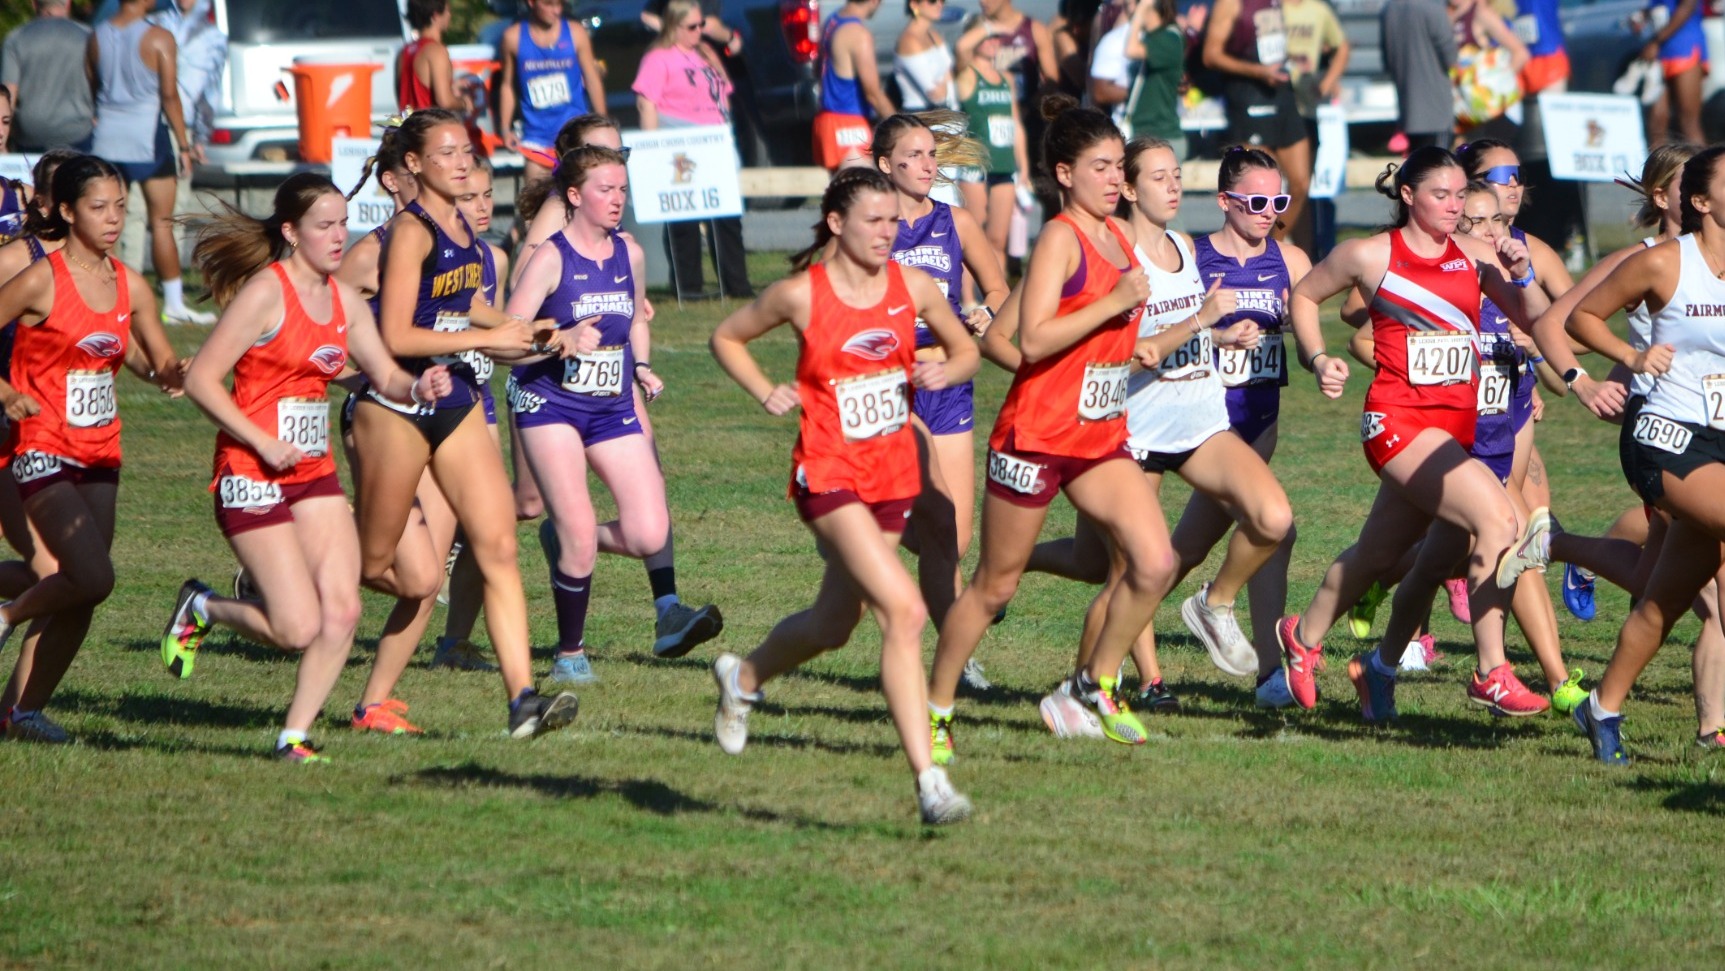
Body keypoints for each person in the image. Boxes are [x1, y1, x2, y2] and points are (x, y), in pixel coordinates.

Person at [708, 166, 980, 824]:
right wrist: (764, 388)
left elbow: (966, 347)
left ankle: (742, 678)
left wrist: (946, 366)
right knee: (904, 610)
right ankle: (928, 781)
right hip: (827, 475)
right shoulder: (801, 294)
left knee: (835, 624)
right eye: (874, 221)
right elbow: (727, 336)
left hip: (891, 477)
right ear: (836, 223)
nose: (889, 232)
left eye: (894, 221)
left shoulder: (911, 286)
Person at [160, 173, 453, 762]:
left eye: (344, 223)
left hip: (311, 471)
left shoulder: (343, 301)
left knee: (342, 609)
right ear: (292, 232)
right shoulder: (266, 294)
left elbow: (382, 374)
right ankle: (202, 606)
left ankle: (293, 736)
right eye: (325, 226)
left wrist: (418, 384)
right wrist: (262, 441)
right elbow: (201, 380)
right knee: (295, 627)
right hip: (250, 468)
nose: (339, 236)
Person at [926, 95, 1179, 759]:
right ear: (1064, 173)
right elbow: (1032, 339)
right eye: (1100, 167)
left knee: (1154, 562)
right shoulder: (1061, 237)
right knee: (994, 586)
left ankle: (1088, 686)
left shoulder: (1117, 235)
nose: (1114, 179)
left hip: (1097, 435)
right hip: (1036, 438)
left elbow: (1011, 340)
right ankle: (934, 708)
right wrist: (1117, 304)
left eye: (1119, 166)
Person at [1279, 146, 1553, 723]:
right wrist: (1317, 356)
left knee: (1383, 554)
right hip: (1397, 423)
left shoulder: (1477, 255)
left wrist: (1521, 271)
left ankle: (1311, 640)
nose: (1455, 207)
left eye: (1460, 196)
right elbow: (1303, 295)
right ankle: (1491, 672)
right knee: (1501, 521)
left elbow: (1532, 318)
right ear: (1408, 196)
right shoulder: (1369, 254)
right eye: (1441, 195)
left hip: (1454, 432)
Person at [351, 108, 577, 739]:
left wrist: (540, 332)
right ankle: (278, 577)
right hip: (396, 407)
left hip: (453, 406)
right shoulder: (411, 232)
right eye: (446, 153)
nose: (461, 161)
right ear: (414, 165)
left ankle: (522, 700)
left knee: (498, 545)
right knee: (381, 568)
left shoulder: (469, 240)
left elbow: (471, 310)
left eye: (467, 151)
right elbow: (394, 333)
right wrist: (485, 331)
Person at [1343, 179, 1585, 713]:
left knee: (1431, 565)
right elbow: (1358, 326)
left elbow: (1556, 339)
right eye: (1477, 223)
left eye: (1499, 222)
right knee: (1511, 538)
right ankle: (1541, 676)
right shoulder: (1441, 284)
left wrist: (1538, 366)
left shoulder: (1507, 286)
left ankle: (1377, 666)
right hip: (1442, 438)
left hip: (1499, 442)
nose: (1492, 233)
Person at [507, 113, 722, 661]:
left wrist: (642, 365)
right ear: (575, 194)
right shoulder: (550, 253)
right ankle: (570, 654)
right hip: (551, 402)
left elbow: (633, 318)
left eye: (623, 189)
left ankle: (570, 543)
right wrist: (558, 339)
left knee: (649, 531)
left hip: (610, 404)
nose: (618, 198)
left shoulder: (630, 251)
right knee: (551, 513)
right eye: (607, 189)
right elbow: (506, 338)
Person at [0, 155, 183, 742]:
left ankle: (19, 712)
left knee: (82, 594)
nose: (112, 219)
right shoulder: (39, 277)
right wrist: (5, 391)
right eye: (99, 208)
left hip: (101, 451)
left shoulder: (131, 283)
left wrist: (178, 373)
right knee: (91, 574)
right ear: (69, 211)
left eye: (120, 208)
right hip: (40, 444)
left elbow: (154, 361)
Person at [1553, 143, 1725, 755]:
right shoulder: (1663, 263)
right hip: (1665, 437)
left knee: (1665, 601)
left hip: (1722, 439)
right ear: (1700, 201)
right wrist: (1629, 357)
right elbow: (1579, 317)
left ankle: (1602, 709)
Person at [1161, 147, 1310, 703]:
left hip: (1258, 433)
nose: (1269, 211)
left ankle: (1111, 641)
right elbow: (1162, 337)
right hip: (1205, 431)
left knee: (1177, 554)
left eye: (1279, 201)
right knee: (1277, 530)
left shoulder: (1289, 260)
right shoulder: (1191, 257)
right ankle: (1270, 670)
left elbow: (1314, 315)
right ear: (1224, 201)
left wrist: (1320, 355)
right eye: (1256, 201)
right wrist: (1216, 337)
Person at [869, 113, 1005, 631]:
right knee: (937, 525)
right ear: (886, 164)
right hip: (893, 384)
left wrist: (985, 313)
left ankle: (951, 645)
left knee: (954, 537)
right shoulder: (871, 225)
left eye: (932, 155)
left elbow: (997, 288)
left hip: (949, 381)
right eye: (915, 155)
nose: (929, 165)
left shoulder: (956, 221)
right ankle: (958, 652)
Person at [0, 149, 77, 723]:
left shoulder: (95, 271)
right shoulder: (16, 263)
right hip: (6, 431)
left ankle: (16, 711)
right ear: (46, 203)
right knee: (54, 572)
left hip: (51, 437)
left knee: (60, 574)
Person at [90, 0, 213, 326]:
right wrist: (184, 145)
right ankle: (173, 303)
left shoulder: (97, 34)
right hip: (147, 136)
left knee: (106, 223)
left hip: (107, 136)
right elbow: (169, 95)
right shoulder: (159, 37)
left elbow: (94, 84)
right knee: (162, 222)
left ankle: (108, 299)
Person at [633, 0, 754, 300]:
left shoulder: (705, 52)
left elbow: (724, 93)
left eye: (701, 25)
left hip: (715, 142)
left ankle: (736, 285)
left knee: (726, 216)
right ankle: (688, 288)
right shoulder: (657, 58)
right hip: (680, 144)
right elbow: (646, 102)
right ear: (673, 26)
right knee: (683, 217)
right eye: (692, 27)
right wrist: (652, 149)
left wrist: (728, 134)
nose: (699, 31)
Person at [1202, 0, 1312, 241]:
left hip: (1282, 94)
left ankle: (1275, 240)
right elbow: (1211, 55)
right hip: (1249, 95)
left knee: (1301, 184)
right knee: (1260, 186)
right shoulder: (1230, 4)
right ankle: (1254, 247)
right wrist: (1258, 71)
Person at [496, 0, 607, 183]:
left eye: (559, 5)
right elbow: (507, 85)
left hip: (574, 133)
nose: (556, 11)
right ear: (532, 3)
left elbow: (592, 79)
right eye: (549, 4)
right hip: (536, 137)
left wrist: (603, 123)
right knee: (534, 202)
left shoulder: (575, 32)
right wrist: (505, 128)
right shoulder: (513, 37)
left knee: (578, 201)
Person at [955, 17, 1032, 270]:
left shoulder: (1006, 78)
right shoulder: (967, 74)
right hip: (976, 163)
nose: (992, 42)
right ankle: (967, 300)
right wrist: (992, 27)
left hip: (1003, 163)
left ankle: (997, 300)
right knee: (973, 234)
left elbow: (1016, 123)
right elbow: (961, 48)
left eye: (996, 39)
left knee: (998, 238)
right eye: (986, 38)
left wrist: (1023, 166)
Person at [1281, 0, 1347, 249]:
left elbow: (1341, 47)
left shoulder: (1318, 10)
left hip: (1305, 109)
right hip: (1275, 105)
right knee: (1276, 189)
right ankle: (1272, 244)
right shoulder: (1273, 8)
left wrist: (1327, 82)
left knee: (1301, 189)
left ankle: (1303, 255)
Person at [1, 0, 95, 154]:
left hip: (30, 133)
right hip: (77, 131)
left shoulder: (16, 38)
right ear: (68, 4)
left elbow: (8, 94)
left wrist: (5, 138)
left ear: (34, 4)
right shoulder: (87, 36)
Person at [813, 0, 897, 169]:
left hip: (826, 121)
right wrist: (902, 125)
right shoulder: (858, 35)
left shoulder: (832, 21)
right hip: (849, 124)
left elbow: (817, 70)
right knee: (864, 191)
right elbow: (873, 94)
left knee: (841, 192)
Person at [149, 0, 227, 155]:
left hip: (182, 128)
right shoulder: (152, 24)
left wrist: (200, 137)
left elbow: (210, 91)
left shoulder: (213, 37)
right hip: (146, 125)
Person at [1380, 0, 1458, 153]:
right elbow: (1451, 57)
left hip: (1407, 110)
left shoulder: (1389, 8)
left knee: (1417, 168)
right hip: (1436, 112)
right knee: (1436, 166)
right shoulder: (1433, 7)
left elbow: (1387, 59)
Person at [1447, 0, 1529, 141]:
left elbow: (1521, 53)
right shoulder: (1445, 13)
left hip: (1495, 112)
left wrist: (1495, 84)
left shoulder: (1480, 12)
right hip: (1466, 112)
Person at [1638, 0, 1706, 146]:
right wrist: (1641, 18)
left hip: (1685, 50)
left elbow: (1687, 6)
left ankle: (1701, 167)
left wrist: (1656, 41)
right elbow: (1657, 9)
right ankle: (1658, 168)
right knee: (1656, 123)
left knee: (1688, 122)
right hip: (1660, 56)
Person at [399, 0, 470, 114]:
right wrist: (465, 103)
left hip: (406, 127)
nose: (449, 15)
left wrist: (450, 88)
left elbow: (407, 97)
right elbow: (444, 102)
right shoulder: (436, 51)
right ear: (436, 16)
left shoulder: (403, 53)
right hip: (429, 127)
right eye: (448, 11)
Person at [896, 0, 957, 110]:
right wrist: (947, 87)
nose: (939, 4)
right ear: (914, 4)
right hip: (920, 116)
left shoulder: (934, 35)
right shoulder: (908, 41)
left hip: (945, 114)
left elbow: (949, 73)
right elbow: (935, 95)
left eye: (942, 0)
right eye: (932, 1)